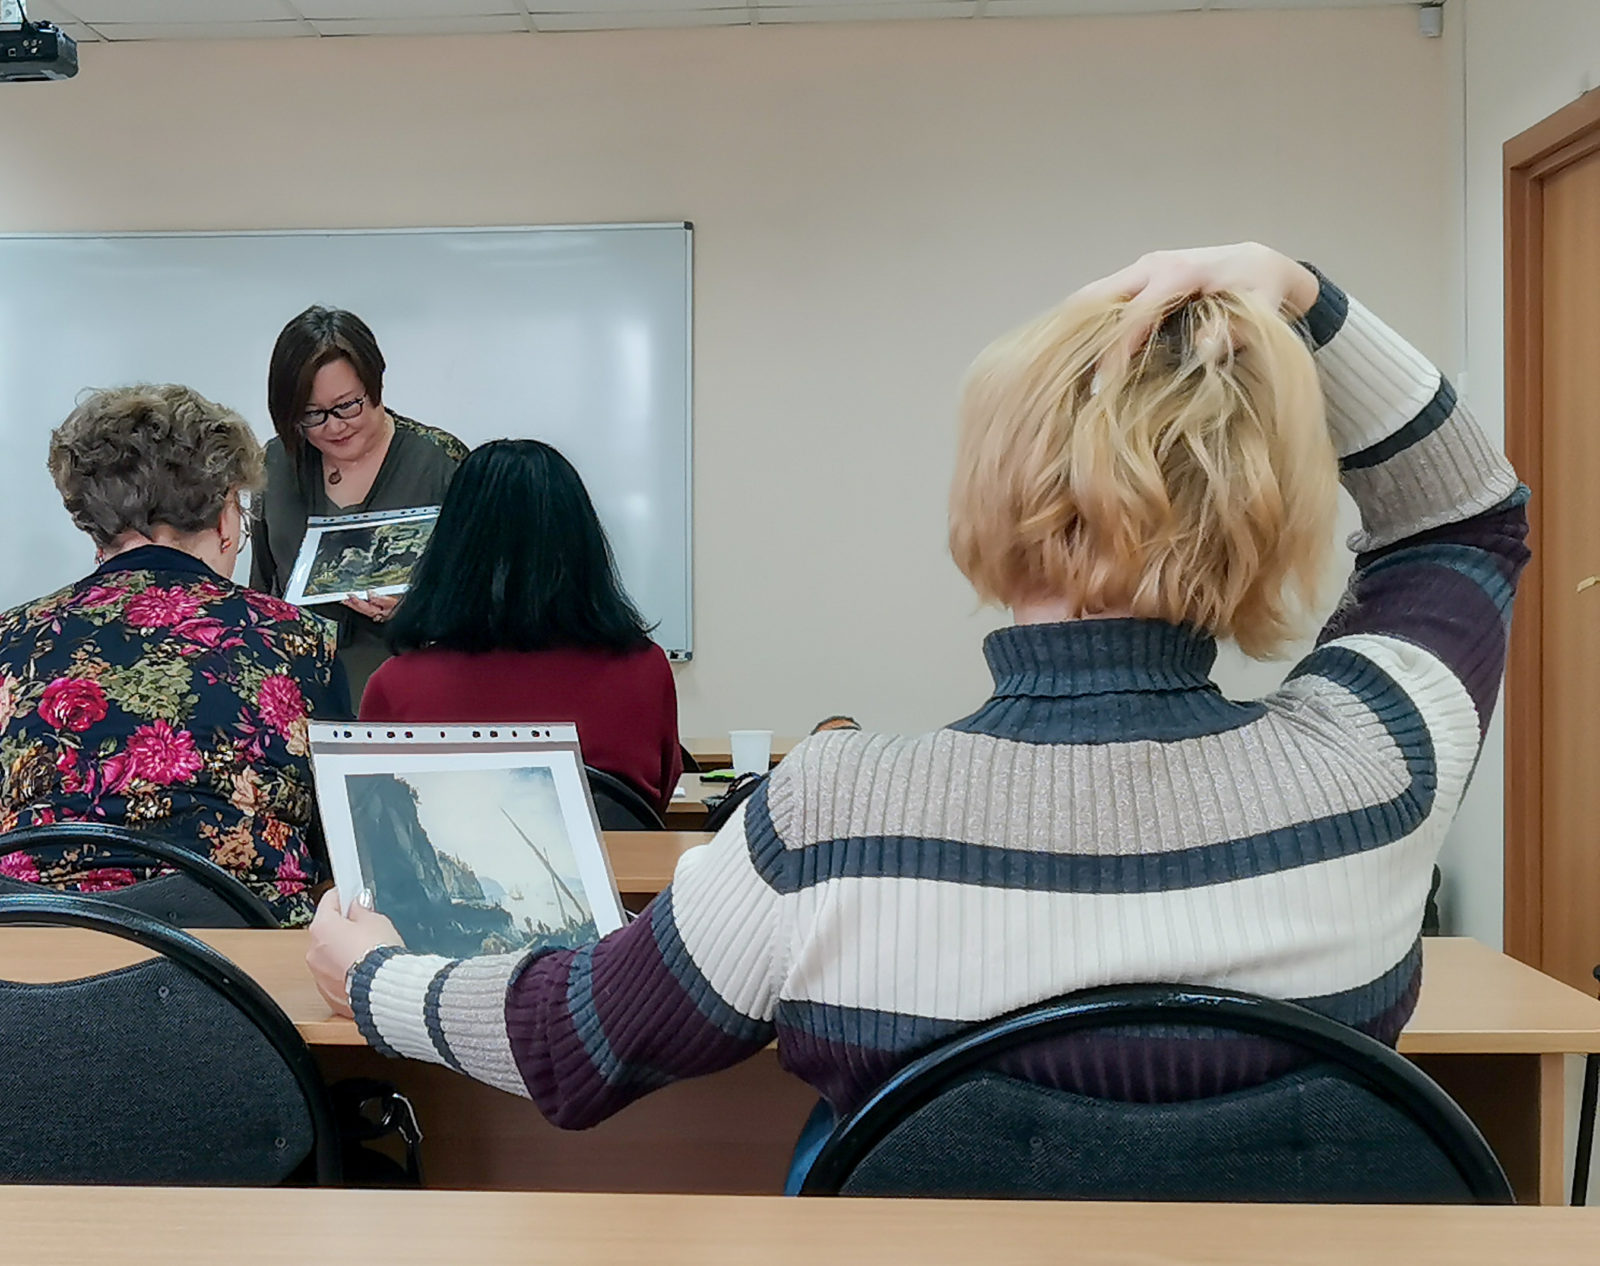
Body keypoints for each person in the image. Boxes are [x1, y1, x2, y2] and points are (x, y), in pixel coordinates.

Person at [305, 245, 1530, 1150]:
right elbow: (1467, 520)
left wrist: (375, 978)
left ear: (994, 503)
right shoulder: (1378, 762)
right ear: (1259, 512)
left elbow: (574, 1042)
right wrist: (1297, 289)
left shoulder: (827, 821)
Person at [0, 384, 350, 926]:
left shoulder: (9, 641)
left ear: (96, 528)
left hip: (46, 945)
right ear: (225, 520)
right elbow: (338, 845)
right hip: (245, 957)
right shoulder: (298, 639)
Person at [358, 439, 681, 810]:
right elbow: (658, 796)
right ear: (584, 544)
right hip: (615, 850)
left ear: (450, 549)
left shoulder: (395, 686)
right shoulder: (645, 669)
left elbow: (376, 816)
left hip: (451, 849)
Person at [250, 307, 468, 708]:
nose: (334, 427)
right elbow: (262, 589)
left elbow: (482, 594)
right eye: (311, 414)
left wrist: (417, 608)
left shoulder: (441, 462)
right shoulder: (276, 464)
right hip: (298, 695)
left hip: (410, 696)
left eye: (348, 405)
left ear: (375, 384)